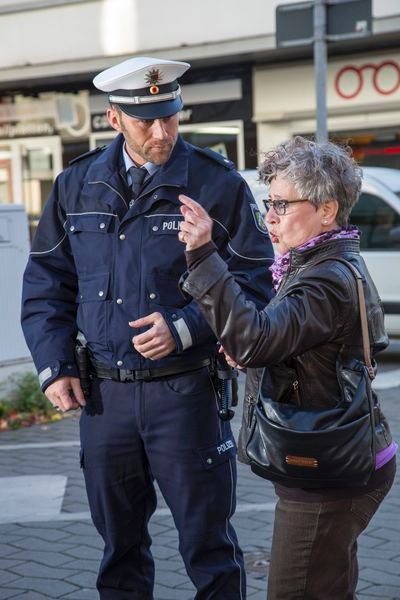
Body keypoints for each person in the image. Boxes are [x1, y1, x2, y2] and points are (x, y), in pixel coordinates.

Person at [21, 56, 274, 599]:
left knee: (210, 551)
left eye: (171, 117)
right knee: (120, 552)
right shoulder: (75, 186)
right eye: (147, 121)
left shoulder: (216, 183)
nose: (163, 132)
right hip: (104, 400)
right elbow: (47, 285)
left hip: (184, 396)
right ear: (115, 119)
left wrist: (184, 327)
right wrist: (56, 365)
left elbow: (256, 285)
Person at [177, 136, 397, 600]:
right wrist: (259, 351)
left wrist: (203, 255)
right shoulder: (323, 264)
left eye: (282, 204)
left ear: (327, 210)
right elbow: (283, 341)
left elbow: (255, 337)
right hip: (341, 458)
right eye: (268, 202)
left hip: (329, 472)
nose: (270, 217)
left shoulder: (324, 279)